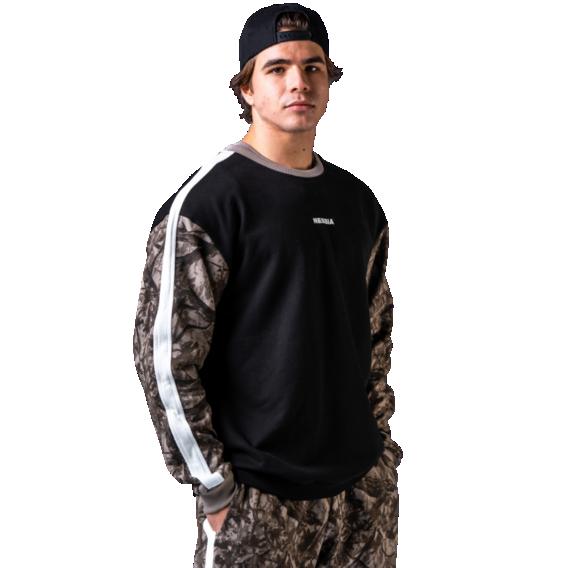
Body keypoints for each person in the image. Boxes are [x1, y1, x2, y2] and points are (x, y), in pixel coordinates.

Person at [132, 3, 403, 566]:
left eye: (313, 67)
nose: (298, 82)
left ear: (329, 81)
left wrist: (380, 451)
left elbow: (376, 333)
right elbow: (164, 358)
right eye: (277, 69)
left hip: (360, 497)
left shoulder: (357, 202)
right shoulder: (209, 203)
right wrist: (212, 483)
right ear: (247, 88)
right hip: (257, 501)